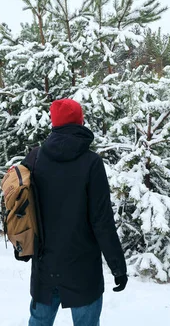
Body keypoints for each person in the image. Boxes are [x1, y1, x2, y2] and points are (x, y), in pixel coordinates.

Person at [22, 98, 127, 326]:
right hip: (83, 269)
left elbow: (21, 205)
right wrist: (117, 266)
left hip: (44, 267)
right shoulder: (91, 163)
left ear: (54, 123)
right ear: (80, 121)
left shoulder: (34, 158)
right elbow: (102, 221)